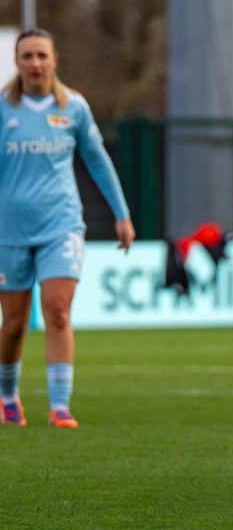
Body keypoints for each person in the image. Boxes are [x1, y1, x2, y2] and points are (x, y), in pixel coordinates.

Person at [0, 29, 135, 429]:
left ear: (55, 59)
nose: (35, 63)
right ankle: (8, 397)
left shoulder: (73, 107)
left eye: (42, 55)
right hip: (9, 231)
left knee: (58, 310)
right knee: (13, 324)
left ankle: (60, 406)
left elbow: (98, 161)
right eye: (27, 56)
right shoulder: (3, 108)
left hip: (61, 225)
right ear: (17, 60)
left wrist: (121, 214)